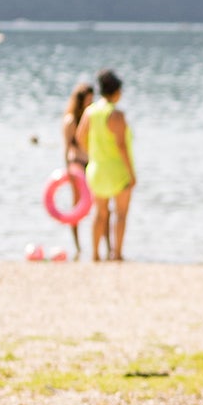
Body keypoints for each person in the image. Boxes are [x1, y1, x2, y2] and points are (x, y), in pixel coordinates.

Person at [79, 70, 135, 262]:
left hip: (96, 169)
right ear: (116, 92)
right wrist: (131, 173)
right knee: (120, 214)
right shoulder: (116, 114)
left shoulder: (90, 111)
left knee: (100, 213)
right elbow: (122, 146)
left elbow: (80, 137)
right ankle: (117, 254)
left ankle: (95, 254)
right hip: (116, 170)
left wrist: (93, 153)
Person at [57, 81, 96, 258]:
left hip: (91, 163)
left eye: (92, 99)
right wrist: (69, 172)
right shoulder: (70, 120)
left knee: (99, 205)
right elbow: (66, 148)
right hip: (77, 165)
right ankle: (78, 247)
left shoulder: (90, 117)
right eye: (87, 100)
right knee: (77, 206)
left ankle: (102, 246)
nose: (90, 103)